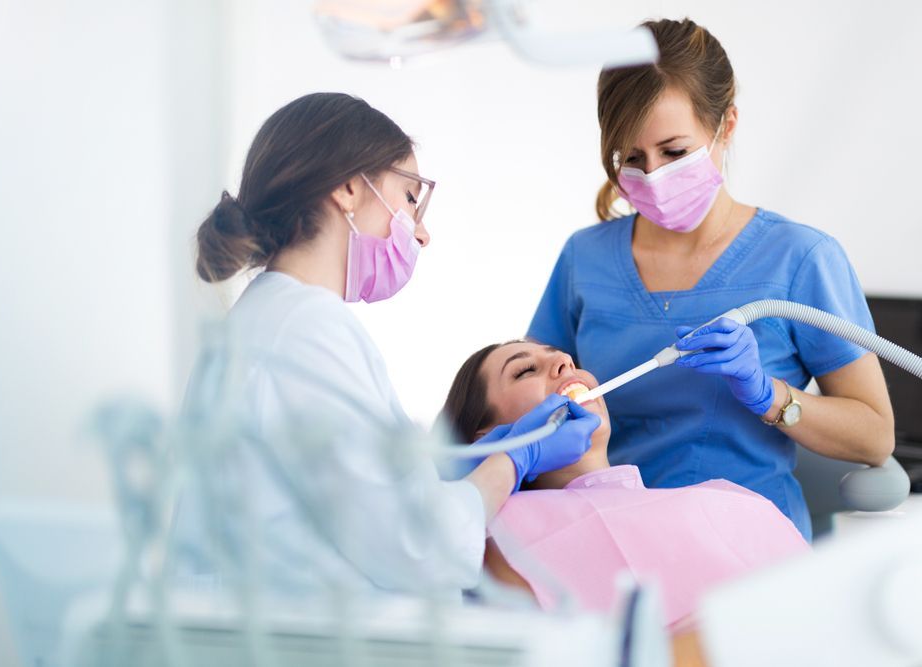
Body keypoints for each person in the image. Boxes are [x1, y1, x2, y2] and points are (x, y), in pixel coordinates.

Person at [171, 92, 600, 600]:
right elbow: (416, 547)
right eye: (411, 198)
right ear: (349, 188)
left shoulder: (270, 318)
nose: (421, 234)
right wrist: (516, 457)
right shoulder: (307, 329)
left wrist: (456, 477)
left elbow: (363, 509)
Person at [527, 18, 895, 540]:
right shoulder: (584, 259)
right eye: (632, 158)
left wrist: (768, 395)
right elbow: (526, 404)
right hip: (611, 539)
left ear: (726, 125)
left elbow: (875, 437)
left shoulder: (800, 258)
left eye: (674, 152)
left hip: (745, 548)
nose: (653, 175)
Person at [441, 340, 810, 629]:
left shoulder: (732, 503)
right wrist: (507, 461)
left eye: (564, 358)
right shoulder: (485, 537)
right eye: (525, 370)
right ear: (486, 438)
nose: (565, 363)